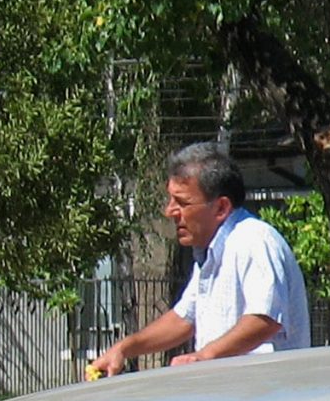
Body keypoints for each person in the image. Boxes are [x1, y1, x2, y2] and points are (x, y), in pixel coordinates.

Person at [92, 143, 312, 375]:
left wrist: (205, 356)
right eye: (170, 200)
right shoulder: (210, 253)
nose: (170, 212)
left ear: (221, 207)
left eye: (183, 203)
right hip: (232, 398)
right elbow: (184, 319)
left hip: (267, 398)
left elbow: (265, 318)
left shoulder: (254, 240)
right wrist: (124, 348)